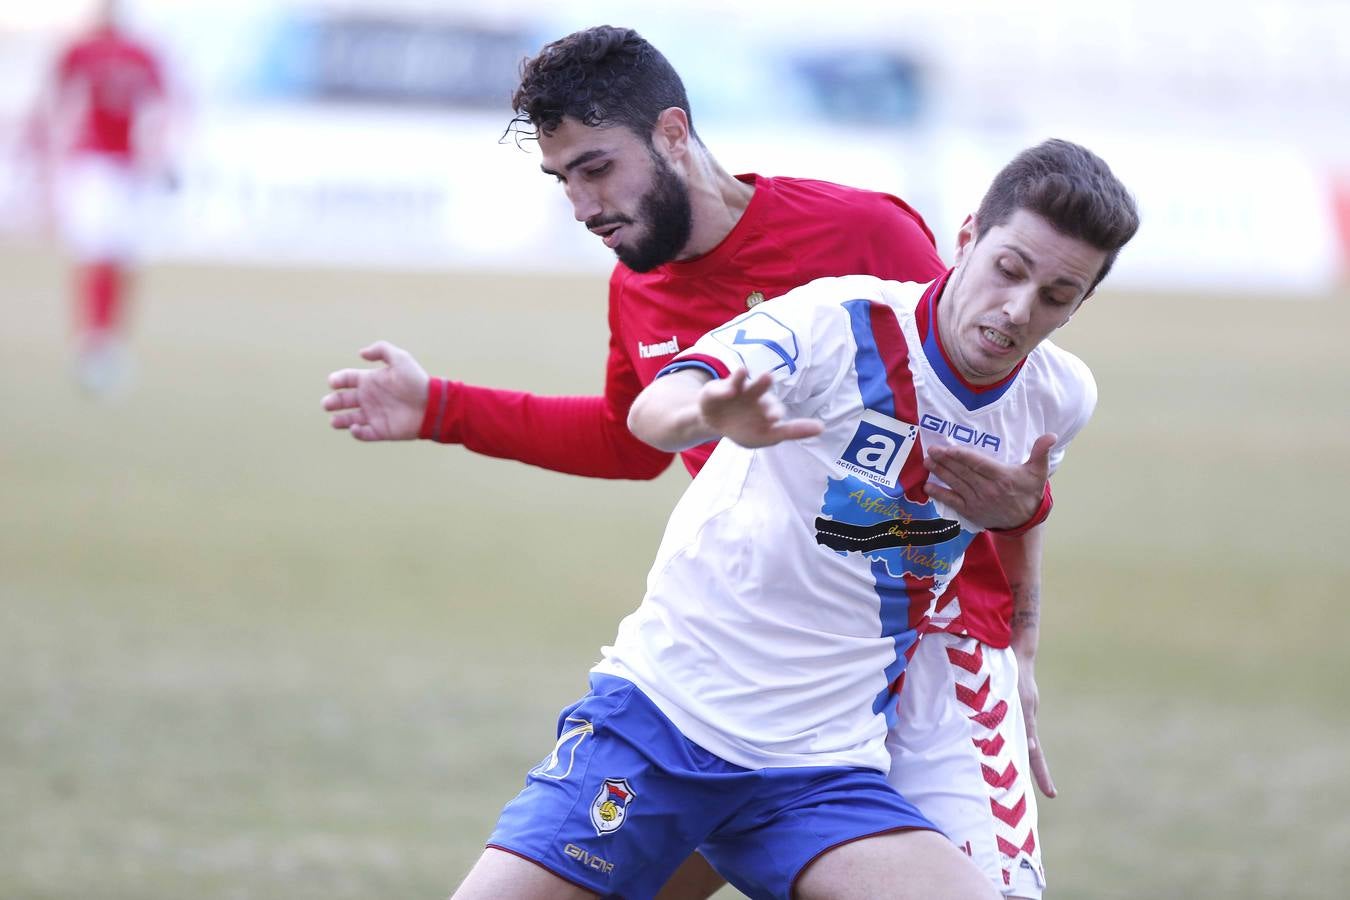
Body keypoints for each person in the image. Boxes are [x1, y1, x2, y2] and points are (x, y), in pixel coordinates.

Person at [322, 26, 1055, 897]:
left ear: (673, 132)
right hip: (730, 676)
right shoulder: (639, 280)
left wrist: (1008, 641)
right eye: (562, 181)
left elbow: (985, 418)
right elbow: (628, 439)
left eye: (596, 168)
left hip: (914, 663)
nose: (582, 204)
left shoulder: (861, 235)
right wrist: (440, 409)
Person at [450, 138, 1139, 899]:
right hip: (665, 724)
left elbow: (1018, 497)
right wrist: (709, 411)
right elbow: (654, 410)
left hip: (822, 769)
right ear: (968, 236)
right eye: (1009, 269)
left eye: (1057, 294)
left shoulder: (1060, 395)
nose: (1017, 310)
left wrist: (1024, 642)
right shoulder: (836, 322)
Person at [30, 0, 173, 395]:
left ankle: (108, 340)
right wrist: (49, 160)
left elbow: (161, 107)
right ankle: (91, 341)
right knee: (96, 252)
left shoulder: (141, 52)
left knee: (122, 256)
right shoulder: (79, 50)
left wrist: (156, 155)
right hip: (92, 164)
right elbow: (54, 102)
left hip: (127, 166)